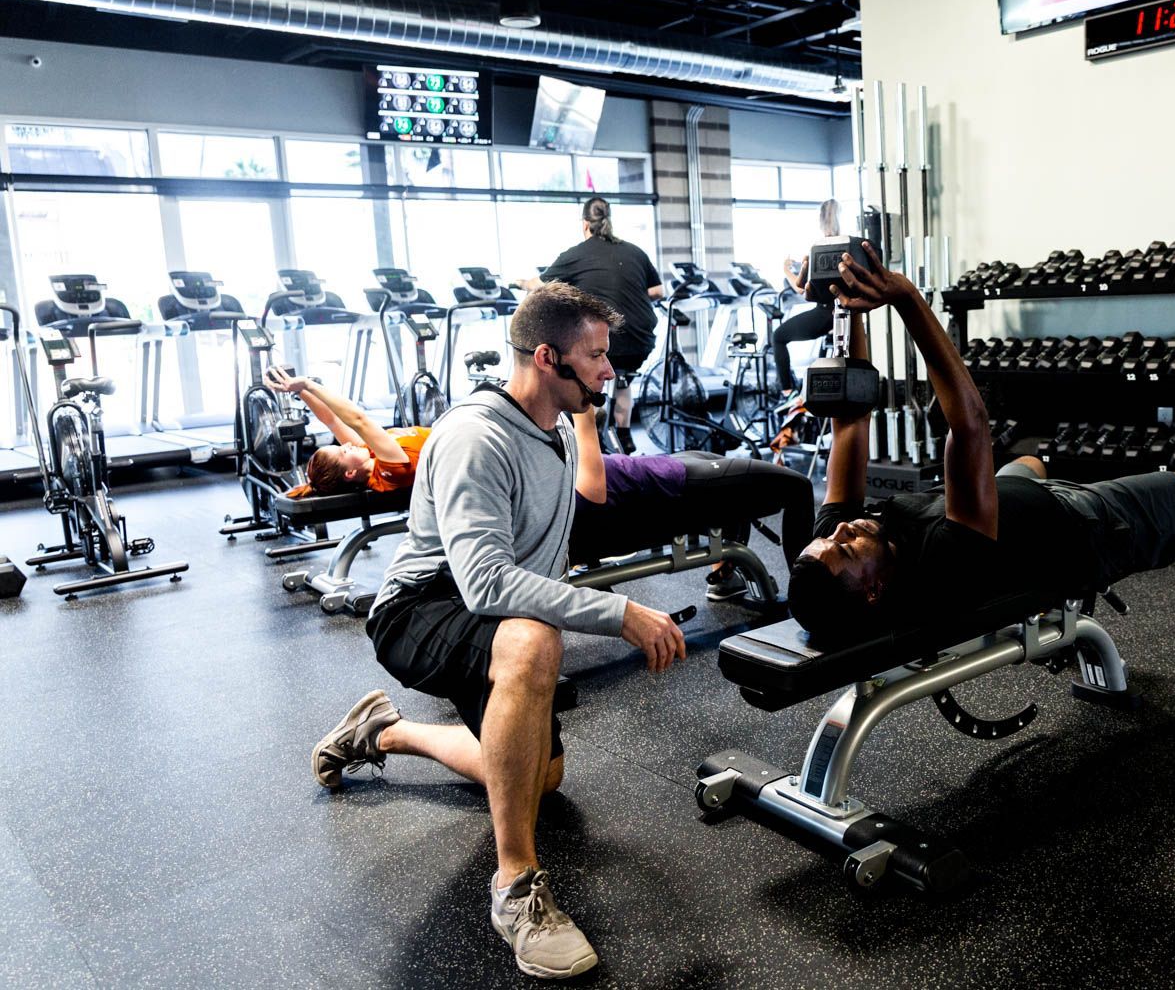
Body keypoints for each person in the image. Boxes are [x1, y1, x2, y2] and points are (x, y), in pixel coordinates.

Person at [312, 282, 686, 980]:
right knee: (532, 640)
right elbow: (485, 584)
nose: (609, 370)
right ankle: (515, 886)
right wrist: (620, 614)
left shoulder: (557, 432)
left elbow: (540, 564)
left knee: (536, 779)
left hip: (485, 616)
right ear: (548, 358)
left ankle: (383, 733)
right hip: (419, 609)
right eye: (595, 356)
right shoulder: (476, 437)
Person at [785, 243, 1175, 711]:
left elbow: (851, 417)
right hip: (1083, 524)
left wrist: (845, 304)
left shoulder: (839, 544)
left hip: (1023, 498)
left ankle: (1070, 612)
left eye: (832, 536)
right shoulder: (940, 568)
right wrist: (905, 298)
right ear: (876, 592)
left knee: (1034, 456)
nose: (843, 531)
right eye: (848, 549)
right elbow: (968, 425)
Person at [569, 403, 814, 600]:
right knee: (798, 487)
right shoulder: (572, 486)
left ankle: (724, 578)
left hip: (668, 466)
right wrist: (582, 408)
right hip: (676, 481)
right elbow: (593, 493)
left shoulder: (542, 477)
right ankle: (809, 598)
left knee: (733, 480)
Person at [517, 196, 664, 454]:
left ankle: (589, 440)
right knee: (622, 380)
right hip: (641, 341)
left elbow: (541, 286)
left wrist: (519, 283)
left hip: (609, 342)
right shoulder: (634, 251)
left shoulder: (575, 255)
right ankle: (624, 434)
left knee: (584, 369)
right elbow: (658, 290)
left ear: (585, 224)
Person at [263, 366, 426, 496]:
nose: (346, 444)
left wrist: (296, 389)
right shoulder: (391, 471)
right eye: (343, 451)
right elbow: (358, 420)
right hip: (450, 441)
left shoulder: (366, 455)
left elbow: (331, 420)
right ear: (350, 473)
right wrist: (308, 384)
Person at [772, 198, 842, 405]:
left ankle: (787, 391)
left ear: (822, 221)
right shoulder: (845, 244)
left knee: (778, 337)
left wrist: (786, 269)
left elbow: (802, 288)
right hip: (840, 312)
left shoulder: (821, 247)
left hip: (825, 313)